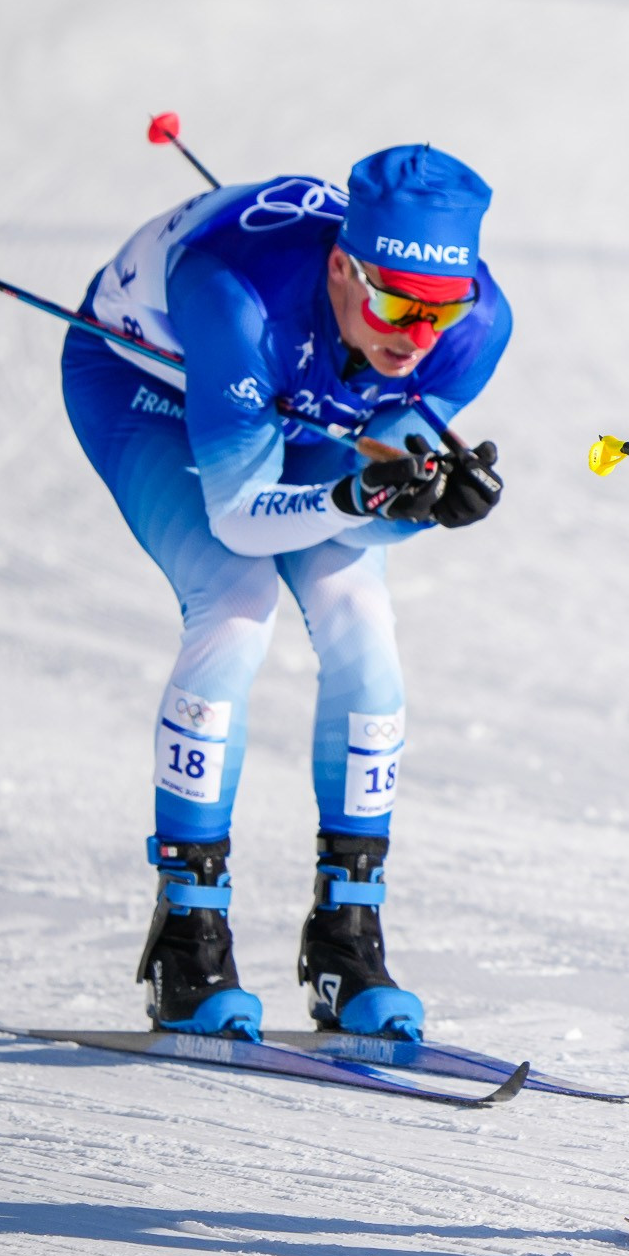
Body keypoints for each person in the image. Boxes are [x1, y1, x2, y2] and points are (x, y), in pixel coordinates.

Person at [60, 146, 511, 1041]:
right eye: (395, 304)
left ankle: (347, 940)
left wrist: (418, 502)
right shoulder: (233, 295)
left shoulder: (476, 324)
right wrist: (360, 492)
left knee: (364, 631)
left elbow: (366, 496)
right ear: (343, 266)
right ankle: (187, 936)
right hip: (150, 385)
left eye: (438, 313)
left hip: (308, 400)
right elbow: (239, 516)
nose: (417, 336)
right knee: (234, 606)